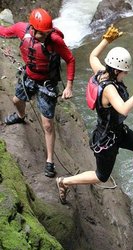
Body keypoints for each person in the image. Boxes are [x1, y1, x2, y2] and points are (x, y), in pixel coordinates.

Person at [55, 25, 133, 205]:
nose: (126, 75)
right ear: (117, 71)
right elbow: (123, 109)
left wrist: (106, 40)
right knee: (101, 176)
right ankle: (64, 182)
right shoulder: (109, 88)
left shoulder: (102, 72)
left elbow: (92, 56)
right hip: (106, 138)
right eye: (125, 72)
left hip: (118, 131)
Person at [0, 8, 75, 177]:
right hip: (29, 76)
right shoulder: (21, 29)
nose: (46, 36)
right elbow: (4, 32)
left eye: (47, 32)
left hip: (46, 84)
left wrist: (69, 86)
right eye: (42, 33)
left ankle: (50, 161)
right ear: (32, 28)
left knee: (47, 124)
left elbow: (70, 59)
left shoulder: (54, 40)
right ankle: (20, 116)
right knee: (16, 100)